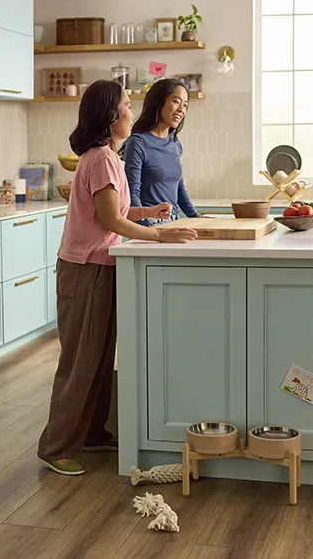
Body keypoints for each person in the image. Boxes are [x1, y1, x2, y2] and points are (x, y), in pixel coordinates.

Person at [37, 80, 197, 477]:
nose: (131, 111)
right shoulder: (104, 160)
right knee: (80, 362)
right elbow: (109, 220)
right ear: (111, 116)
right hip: (84, 270)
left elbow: (115, 212)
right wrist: (162, 233)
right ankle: (56, 447)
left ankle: (92, 433)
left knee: (99, 357)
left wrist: (151, 213)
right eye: (126, 105)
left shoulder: (107, 157)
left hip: (100, 267)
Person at [121, 78, 200, 225]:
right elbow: (132, 192)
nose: (182, 110)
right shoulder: (138, 143)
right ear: (159, 102)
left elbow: (178, 185)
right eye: (176, 101)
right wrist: (148, 229)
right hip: (147, 224)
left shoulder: (174, 143)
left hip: (172, 222)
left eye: (185, 105)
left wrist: (195, 216)